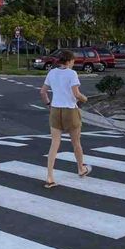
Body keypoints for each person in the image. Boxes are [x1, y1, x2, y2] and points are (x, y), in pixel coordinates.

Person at [40, 50, 91, 188]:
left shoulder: (51, 73)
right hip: (70, 110)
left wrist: (48, 104)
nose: (74, 63)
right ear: (69, 61)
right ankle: (81, 168)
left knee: (54, 144)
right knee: (76, 142)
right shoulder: (72, 73)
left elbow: (43, 91)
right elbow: (76, 93)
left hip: (55, 110)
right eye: (73, 61)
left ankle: (50, 177)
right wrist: (84, 99)